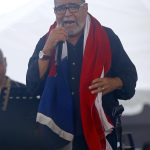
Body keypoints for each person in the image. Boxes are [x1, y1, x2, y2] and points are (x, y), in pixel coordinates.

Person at [26, 0, 138, 149]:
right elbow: (32, 87)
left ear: (85, 8)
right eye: (60, 9)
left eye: (73, 7)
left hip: (100, 134)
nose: (67, 14)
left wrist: (115, 82)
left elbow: (130, 79)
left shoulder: (107, 37)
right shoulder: (46, 41)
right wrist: (47, 49)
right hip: (56, 136)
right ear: (54, 12)